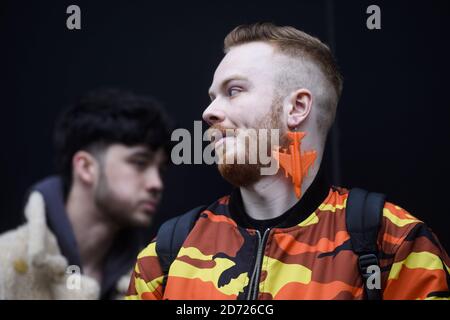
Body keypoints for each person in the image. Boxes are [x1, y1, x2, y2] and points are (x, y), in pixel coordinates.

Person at [126, 23, 450, 300]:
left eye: (234, 90)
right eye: (212, 97)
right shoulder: (167, 254)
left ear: (296, 108)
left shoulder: (395, 243)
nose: (208, 113)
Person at [0, 88, 172, 299]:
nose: (157, 183)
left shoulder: (151, 279)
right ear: (86, 168)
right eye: (140, 162)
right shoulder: (6, 265)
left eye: (161, 170)